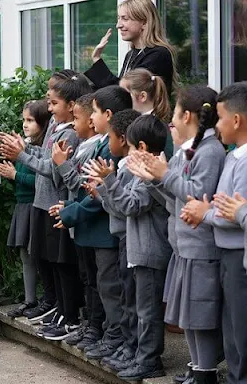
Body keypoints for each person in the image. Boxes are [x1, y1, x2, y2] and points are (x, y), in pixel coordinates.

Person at [127, 85, 225, 384]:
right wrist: (154, 180)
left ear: (188, 116)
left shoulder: (210, 151)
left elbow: (197, 195)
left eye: (176, 114)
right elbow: (176, 201)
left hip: (201, 246)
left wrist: (163, 175)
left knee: (202, 315)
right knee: (189, 315)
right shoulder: (191, 150)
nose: (173, 120)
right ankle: (197, 367)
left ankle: (206, 371)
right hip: (183, 245)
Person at [0, 75, 89, 339]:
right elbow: (47, 157)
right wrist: (24, 148)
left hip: (56, 205)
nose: (49, 108)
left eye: (53, 102)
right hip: (44, 205)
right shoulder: (57, 127)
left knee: (63, 265)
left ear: (71, 105)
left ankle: (69, 315)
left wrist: (21, 155)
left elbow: (54, 170)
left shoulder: (69, 133)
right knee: (49, 262)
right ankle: (59, 309)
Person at [88, 115, 171, 381]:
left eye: (132, 147)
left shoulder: (148, 173)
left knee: (147, 311)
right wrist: (105, 189)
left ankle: (149, 359)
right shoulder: (142, 171)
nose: (129, 153)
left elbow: (132, 206)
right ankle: (139, 354)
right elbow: (123, 208)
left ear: (143, 148)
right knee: (137, 306)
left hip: (150, 250)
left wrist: (109, 182)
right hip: (139, 249)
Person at [54, 86, 132, 351]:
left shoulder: (111, 147)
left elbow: (98, 193)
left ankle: (112, 336)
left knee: (109, 288)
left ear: (107, 115)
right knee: (96, 284)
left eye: (95, 112)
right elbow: (89, 188)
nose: (89, 119)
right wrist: (70, 206)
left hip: (103, 230)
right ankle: (99, 330)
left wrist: (71, 212)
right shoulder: (101, 141)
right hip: (92, 229)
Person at [181, 82, 247, 384]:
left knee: (239, 332)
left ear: (236, 120)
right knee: (232, 330)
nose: (216, 125)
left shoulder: (243, 160)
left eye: (220, 118)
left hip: (237, 254)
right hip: (227, 252)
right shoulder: (234, 155)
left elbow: (233, 213)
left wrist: (203, 213)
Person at [93, 109, 143, 373]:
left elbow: (126, 207)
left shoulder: (131, 168)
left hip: (130, 239)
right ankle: (129, 346)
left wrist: (106, 184)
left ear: (122, 139)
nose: (107, 141)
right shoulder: (122, 165)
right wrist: (102, 189)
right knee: (126, 297)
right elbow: (116, 204)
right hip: (123, 238)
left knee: (133, 301)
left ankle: (136, 350)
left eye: (110, 136)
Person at [0, 100, 49, 319]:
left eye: (30, 120)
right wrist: (12, 173)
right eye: (24, 120)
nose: (25, 124)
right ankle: (29, 299)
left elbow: (39, 180)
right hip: (23, 206)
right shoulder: (25, 145)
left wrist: (15, 175)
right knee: (25, 254)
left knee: (36, 254)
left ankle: (43, 299)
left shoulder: (40, 149)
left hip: (34, 205)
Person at [85, 0, 177, 95]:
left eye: (125, 19)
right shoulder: (132, 54)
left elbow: (124, 95)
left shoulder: (158, 55)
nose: (118, 25)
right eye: (118, 18)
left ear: (144, 23)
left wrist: (97, 60)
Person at [119, 68, 174, 159]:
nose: (120, 99)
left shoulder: (157, 127)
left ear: (142, 96)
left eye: (125, 94)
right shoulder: (139, 122)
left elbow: (167, 158)